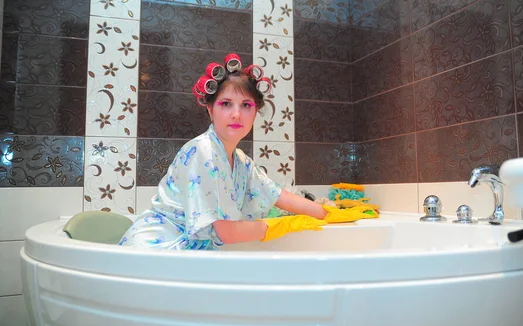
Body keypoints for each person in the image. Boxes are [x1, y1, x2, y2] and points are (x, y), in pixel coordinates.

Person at [119, 55, 376, 250]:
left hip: (184, 255)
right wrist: (280, 224)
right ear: (210, 109)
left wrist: (330, 214)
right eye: (226, 104)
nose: (236, 114)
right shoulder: (203, 151)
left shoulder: (240, 160)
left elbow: (277, 195)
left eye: (246, 105)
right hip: (153, 251)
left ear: (255, 112)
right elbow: (227, 233)